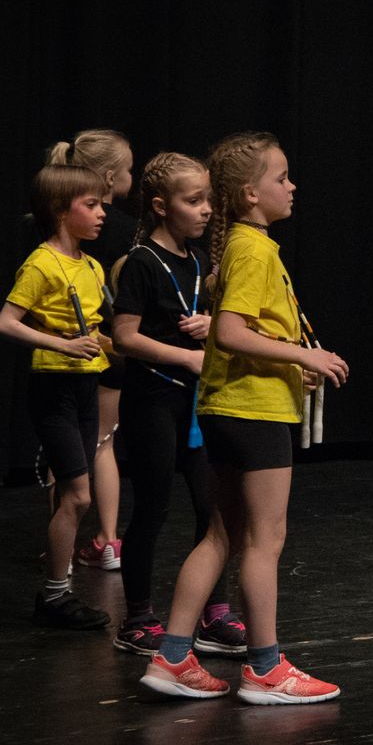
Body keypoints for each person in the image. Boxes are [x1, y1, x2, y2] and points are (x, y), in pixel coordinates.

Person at [140, 134, 350, 704]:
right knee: (264, 540)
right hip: (251, 412)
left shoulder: (240, 244)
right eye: (281, 177)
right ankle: (265, 668)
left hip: (229, 407)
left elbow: (245, 333)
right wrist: (304, 356)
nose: (292, 186)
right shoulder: (254, 250)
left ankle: (172, 657)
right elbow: (231, 333)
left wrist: (289, 363)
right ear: (251, 193)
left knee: (223, 535)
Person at [109, 153, 245, 657]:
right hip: (153, 400)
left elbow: (208, 319)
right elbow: (124, 337)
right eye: (194, 200)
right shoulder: (143, 262)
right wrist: (187, 357)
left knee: (214, 508)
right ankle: (138, 618)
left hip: (196, 403)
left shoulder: (199, 261)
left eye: (208, 199)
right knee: (152, 507)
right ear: (162, 206)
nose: (207, 209)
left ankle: (214, 613)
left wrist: (210, 326)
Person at [0, 164, 113, 630]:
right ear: (61, 211)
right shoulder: (41, 263)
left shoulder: (92, 265)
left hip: (85, 385)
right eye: (91, 205)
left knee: (75, 496)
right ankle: (55, 595)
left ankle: (57, 593)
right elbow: (6, 322)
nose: (102, 213)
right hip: (54, 387)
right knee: (78, 497)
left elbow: (98, 333)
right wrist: (62, 345)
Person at [47, 130, 134, 573]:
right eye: (129, 169)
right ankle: (107, 539)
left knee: (64, 450)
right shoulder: (126, 229)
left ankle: (61, 548)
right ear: (110, 176)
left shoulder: (64, 221)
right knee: (102, 444)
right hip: (111, 347)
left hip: (76, 348)